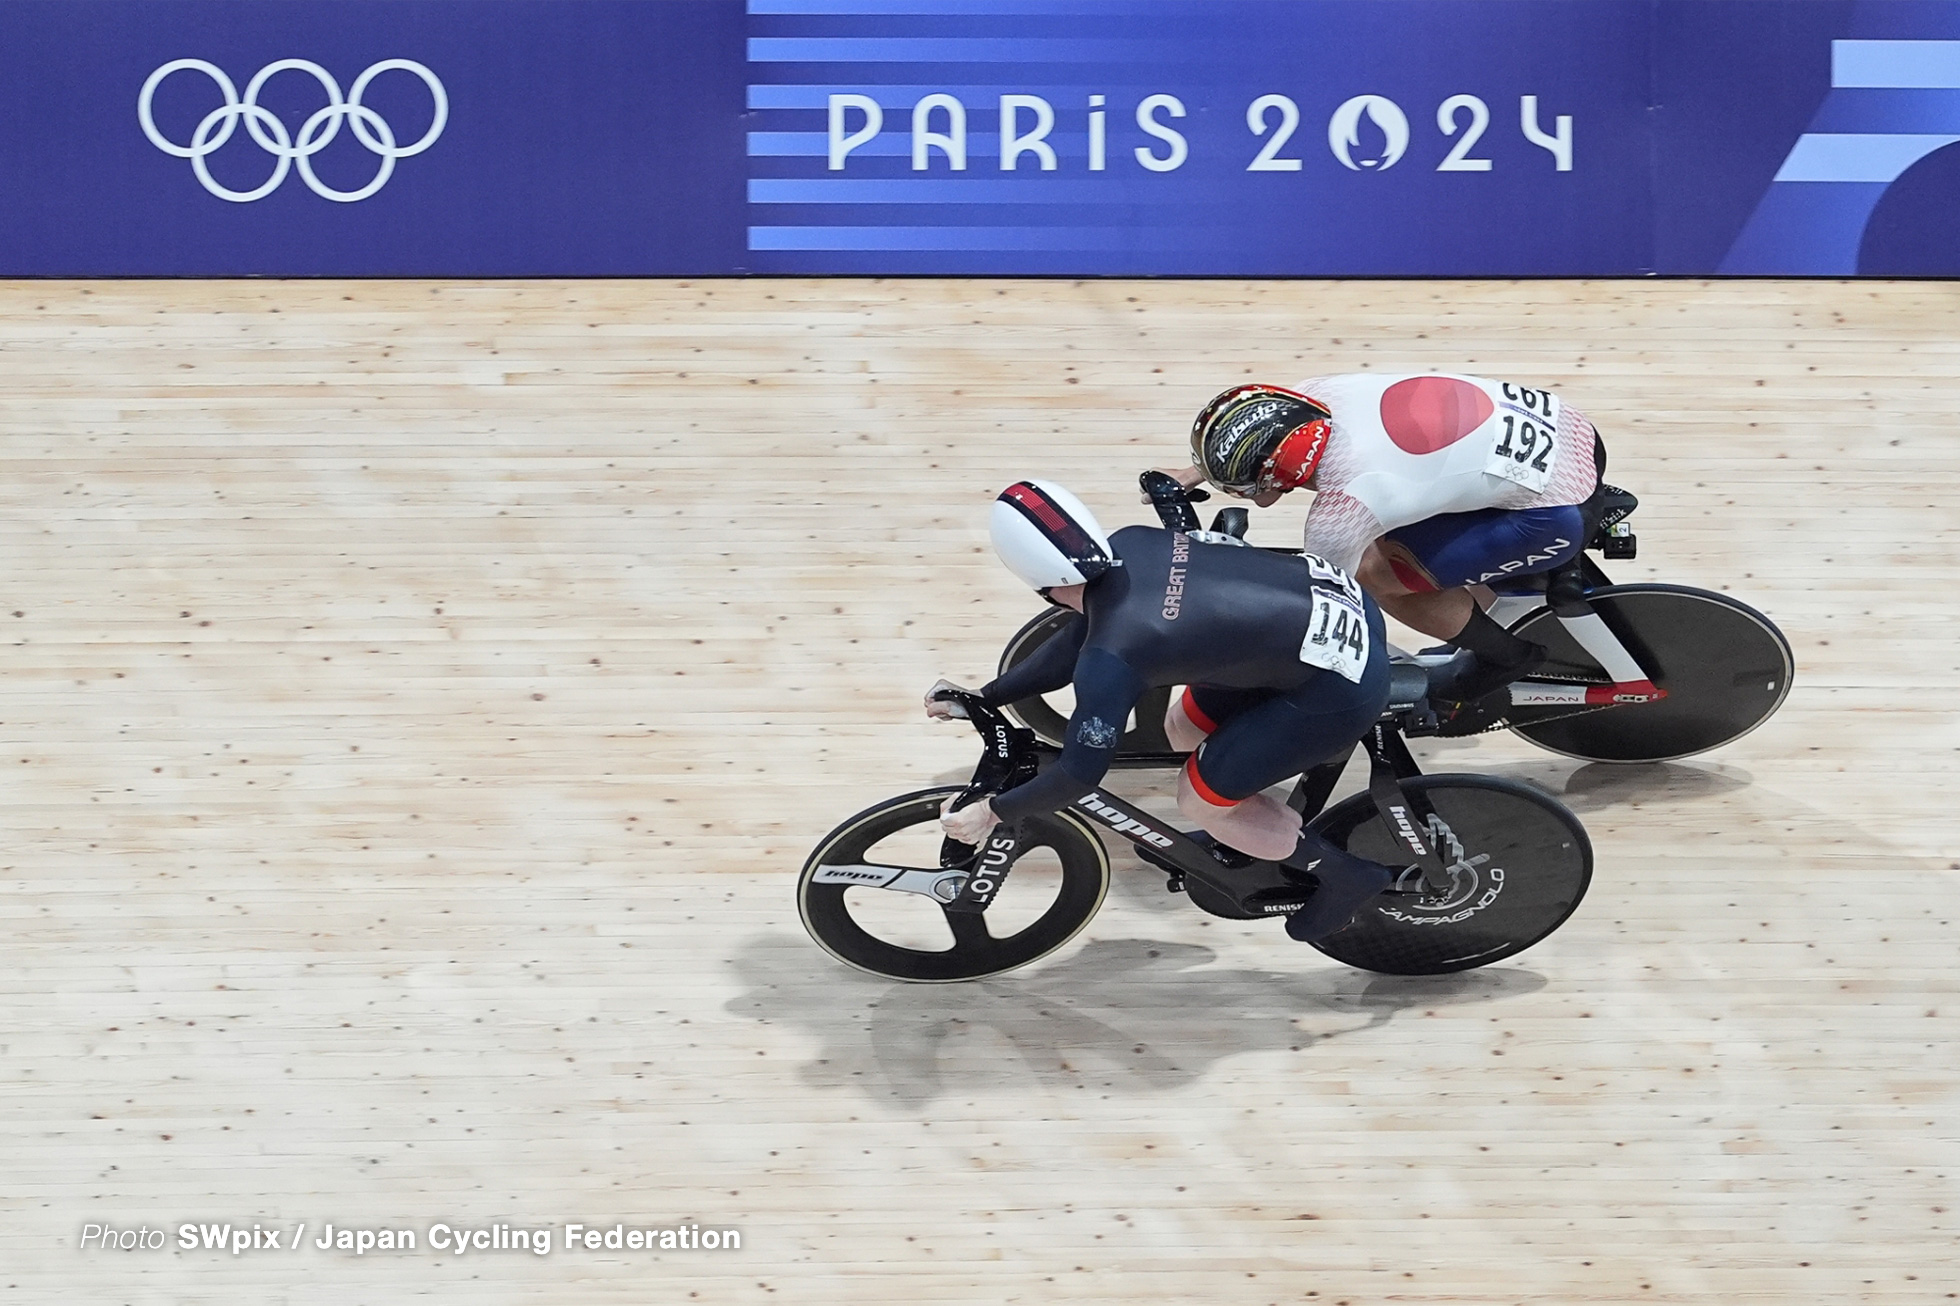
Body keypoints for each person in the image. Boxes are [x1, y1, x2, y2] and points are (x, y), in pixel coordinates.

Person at [926, 479, 1400, 943]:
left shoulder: (1113, 656)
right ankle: (1237, 830)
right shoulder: (1130, 542)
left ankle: (1346, 877)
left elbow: (1078, 776)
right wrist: (986, 696)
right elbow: (1078, 636)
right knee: (1182, 728)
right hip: (1341, 617)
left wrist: (991, 812)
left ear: (1040, 586)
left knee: (1198, 799)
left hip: (1338, 688)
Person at [1169, 373, 1606, 705]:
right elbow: (1261, 433)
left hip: (1552, 513)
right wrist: (1197, 471)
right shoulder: (1315, 396)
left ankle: (1506, 656)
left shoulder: (1346, 504)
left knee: (1376, 573)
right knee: (1403, 522)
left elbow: (1321, 596)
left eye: (1241, 488)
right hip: (1570, 429)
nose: (1241, 496)